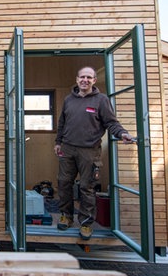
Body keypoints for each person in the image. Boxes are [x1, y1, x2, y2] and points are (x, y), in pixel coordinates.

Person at [53, 66, 134, 240]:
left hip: (89, 151)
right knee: (64, 183)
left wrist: (122, 134)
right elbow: (62, 123)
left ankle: (86, 223)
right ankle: (66, 216)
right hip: (67, 148)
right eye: (82, 77)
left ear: (94, 81)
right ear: (77, 79)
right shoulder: (69, 100)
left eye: (89, 77)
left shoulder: (101, 100)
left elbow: (112, 123)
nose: (85, 80)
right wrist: (58, 142)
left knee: (86, 187)